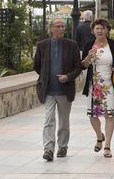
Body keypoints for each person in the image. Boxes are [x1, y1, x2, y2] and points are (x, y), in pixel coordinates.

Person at [33, 18, 82, 161]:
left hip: (65, 90)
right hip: (48, 90)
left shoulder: (71, 45)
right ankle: (48, 149)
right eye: (58, 26)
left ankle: (62, 146)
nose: (61, 29)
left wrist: (68, 77)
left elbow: (78, 67)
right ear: (51, 28)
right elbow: (37, 66)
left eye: (63, 26)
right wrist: (45, 78)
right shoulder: (42, 45)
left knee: (63, 121)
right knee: (49, 119)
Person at [82, 19, 114, 158]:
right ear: (93, 31)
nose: (100, 31)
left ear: (107, 30)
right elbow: (83, 65)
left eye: (102, 28)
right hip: (94, 85)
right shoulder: (88, 45)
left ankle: (107, 145)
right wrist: (88, 57)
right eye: (97, 28)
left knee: (109, 115)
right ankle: (99, 136)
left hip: (110, 85)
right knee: (93, 115)